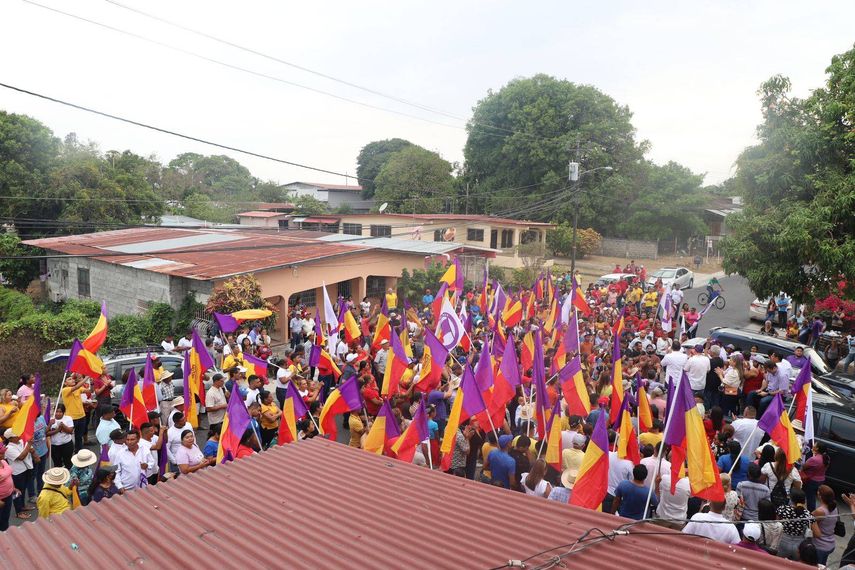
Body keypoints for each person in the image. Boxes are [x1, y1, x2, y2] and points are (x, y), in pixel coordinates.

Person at [776, 488, 813, 560]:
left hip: (783, 540)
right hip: (799, 544)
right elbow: (817, 533)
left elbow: (777, 523)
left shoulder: (783, 509)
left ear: (791, 499)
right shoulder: (807, 514)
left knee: (778, 563)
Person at [5, 428, 34, 520]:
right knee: (17, 493)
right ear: (10, 439)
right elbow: (21, 457)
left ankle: (22, 506)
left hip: (25, 470)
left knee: (23, 490)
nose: (18, 436)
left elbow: (29, 449)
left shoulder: (21, 441)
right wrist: (29, 444)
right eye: (15, 435)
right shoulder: (8, 448)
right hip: (17, 474)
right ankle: (19, 512)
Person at [605, 430, 633, 513]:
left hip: (609, 493)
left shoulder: (608, 455)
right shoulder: (630, 464)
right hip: (619, 496)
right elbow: (632, 481)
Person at [809, 485, 838, 565]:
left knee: (815, 566)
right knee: (822, 565)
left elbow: (809, 519)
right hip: (830, 543)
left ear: (820, 496)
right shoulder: (834, 507)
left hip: (820, 545)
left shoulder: (821, 511)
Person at [60, 375, 88, 451]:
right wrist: (86, 377)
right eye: (69, 379)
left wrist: (90, 383)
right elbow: (76, 387)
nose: (72, 380)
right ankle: (68, 452)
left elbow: (90, 391)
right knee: (67, 436)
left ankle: (78, 451)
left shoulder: (79, 388)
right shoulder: (65, 390)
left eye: (73, 379)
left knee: (79, 436)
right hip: (71, 417)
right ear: (65, 383)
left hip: (82, 416)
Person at [800, 441, 829, 511]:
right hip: (821, 480)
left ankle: (811, 514)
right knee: (813, 497)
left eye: (815, 445)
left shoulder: (813, 459)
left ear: (817, 448)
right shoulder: (826, 458)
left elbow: (803, 467)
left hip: (811, 481)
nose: (813, 446)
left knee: (810, 498)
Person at [48, 403, 75, 469]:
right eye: (56, 411)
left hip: (67, 445)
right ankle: (59, 478)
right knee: (57, 464)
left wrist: (63, 426)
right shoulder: (51, 420)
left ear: (63, 412)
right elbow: (46, 433)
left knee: (68, 462)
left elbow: (70, 431)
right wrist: (51, 426)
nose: (58, 413)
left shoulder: (68, 418)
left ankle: (69, 477)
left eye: (60, 412)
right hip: (54, 446)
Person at [0, 442, 14, 531]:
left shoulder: (3, 461)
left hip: (8, 496)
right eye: (0, 453)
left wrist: (13, 487)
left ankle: (6, 536)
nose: (3, 454)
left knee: (5, 519)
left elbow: (9, 475)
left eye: (2, 452)